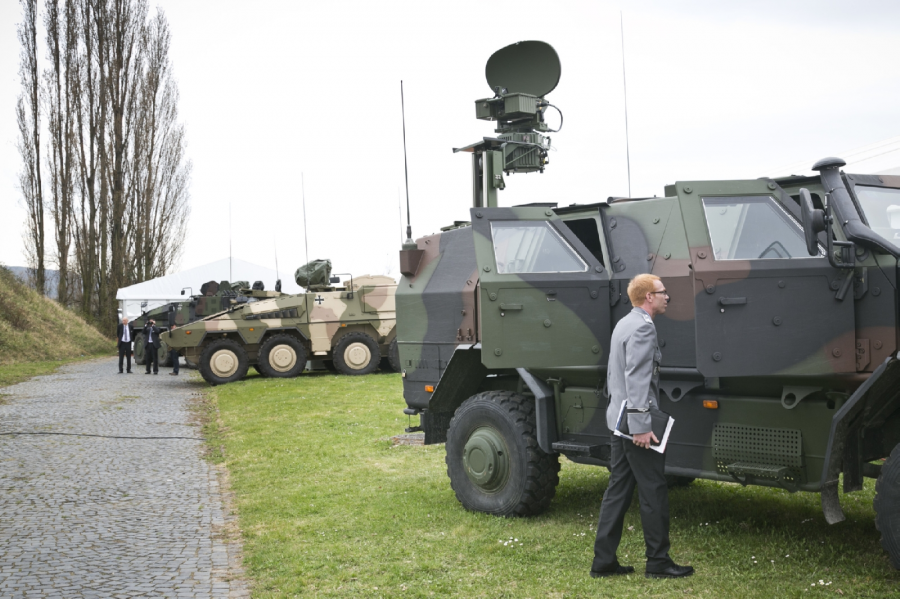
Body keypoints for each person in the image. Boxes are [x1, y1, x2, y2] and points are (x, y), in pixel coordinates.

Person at [591, 273, 694, 580]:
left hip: (618, 420)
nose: (666, 297)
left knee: (618, 490)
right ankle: (658, 561)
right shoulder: (643, 329)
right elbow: (637, 379)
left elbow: (617, 376)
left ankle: (604, 560)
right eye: (663, 293)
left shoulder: (625, 322)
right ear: (649, 296)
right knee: (653, 490)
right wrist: (640, 426)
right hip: (634, 424)